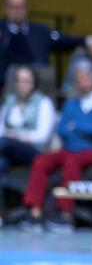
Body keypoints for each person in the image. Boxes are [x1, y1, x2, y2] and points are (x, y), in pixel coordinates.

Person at [21, 59, 92, 233]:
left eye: (85, 76)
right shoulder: (71, 104)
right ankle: (34, 212)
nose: (81, 81)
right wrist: (81, 129)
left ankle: (66, 215)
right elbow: (63, 129)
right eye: (77, 77)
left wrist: (76, 127)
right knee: (42, 160)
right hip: (69, 148)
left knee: (72, 161)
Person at [0, 65, 56, 220]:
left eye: (26, 81)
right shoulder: (10, 102)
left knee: (4, 142)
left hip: (33, 151)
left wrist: (16, 136)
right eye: (19, 81)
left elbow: (42, 136)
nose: (22, 84)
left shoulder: (43, 103)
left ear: (34, 83)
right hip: (7, 151)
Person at [0, 0, 92, 79]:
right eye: (12, 7)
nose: (17, 11)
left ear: (27, 8)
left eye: (20, 7)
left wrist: (86, 40)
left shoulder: (40, 31)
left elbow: (66, 41)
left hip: (38, 84)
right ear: (5, 9)